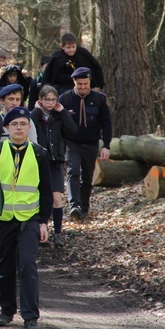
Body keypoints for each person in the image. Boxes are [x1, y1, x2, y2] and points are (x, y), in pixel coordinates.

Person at [0, 106, 53, 329]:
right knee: (5, 266)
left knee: (27, 266)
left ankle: (30, 317)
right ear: (7, 128)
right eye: (14, 125)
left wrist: (43, 222)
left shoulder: (39, 153)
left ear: (29, 127)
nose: (19, 128)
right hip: (2, 218)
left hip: (29, 218)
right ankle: (6, 311)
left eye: (23, 124)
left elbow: (46, 190)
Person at [58, 67, 111, 220]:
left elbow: (106, 124)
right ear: (74, 82)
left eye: (85, 84)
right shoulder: (65, 99)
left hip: (91, 143)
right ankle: (74, 204)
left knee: (87, 177)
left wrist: (106, 145)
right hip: (71, 143)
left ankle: (84, 207)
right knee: (73, 171)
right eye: (79, 84)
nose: (82, 87)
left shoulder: (99, 99)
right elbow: (58, 124)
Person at [30, 85, 77, 247]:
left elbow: (72, 130)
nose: (50, 103)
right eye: (47, 99)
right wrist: (36, 110)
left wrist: (63, 111)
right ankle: (40, 231)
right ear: (41, 100)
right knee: (39, 198)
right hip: (38, 161)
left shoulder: (59, 116)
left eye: (53, 99)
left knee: (57, 198)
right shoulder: (35, 115)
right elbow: (28, 125)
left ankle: (57, 233)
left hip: (56, 161)